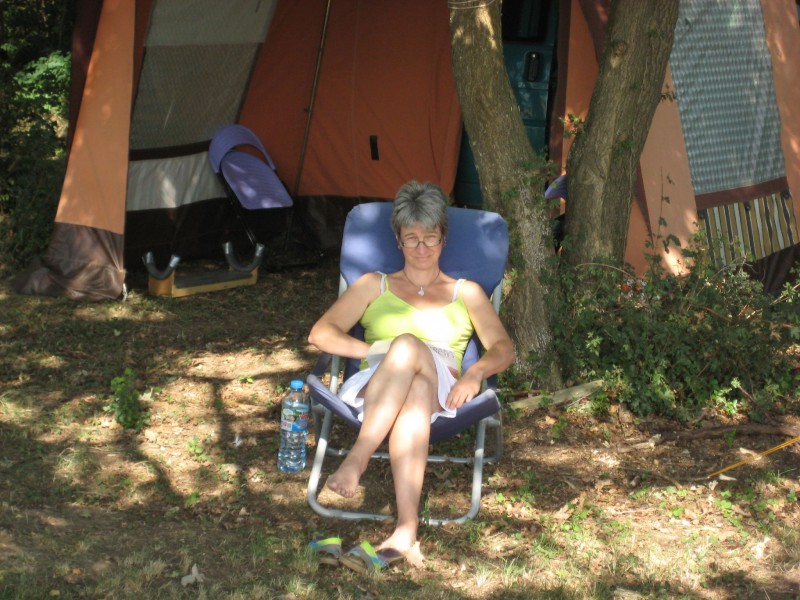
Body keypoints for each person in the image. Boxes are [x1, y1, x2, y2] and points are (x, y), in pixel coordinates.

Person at [307, 180, 515, 565]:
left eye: (430, 238)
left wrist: (475, 374)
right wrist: (374, 351)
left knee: (409, 352)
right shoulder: (373, 285)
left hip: (443, 388)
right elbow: (321, 334)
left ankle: (357, 459)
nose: (421, 248)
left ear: (443, 238)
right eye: (411, 239)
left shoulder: (466, 292)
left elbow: (503, 348)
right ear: (398, 240)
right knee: (410, 370)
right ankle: (406, 530)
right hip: (376, 382)